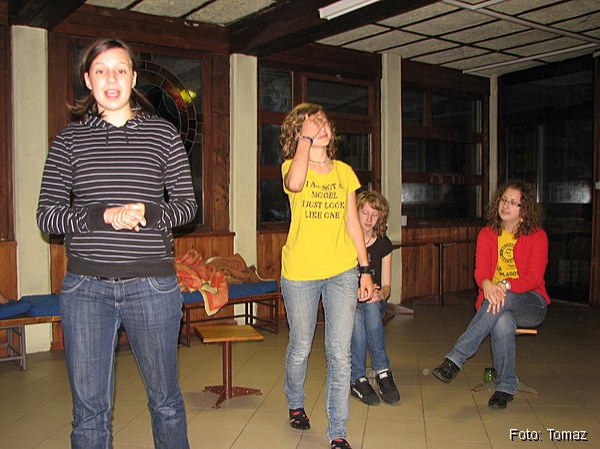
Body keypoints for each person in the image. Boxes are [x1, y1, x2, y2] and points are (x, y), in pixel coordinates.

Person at [36, 38, 197, 448]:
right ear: (88, 79)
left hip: (152, 287)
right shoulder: (68, 141)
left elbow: (187, 207)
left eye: (121, 69)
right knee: (89, 412)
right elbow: (47, 216)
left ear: (134, 78)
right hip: (85, 290)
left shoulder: (163, 134)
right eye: (102, 70)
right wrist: (102, 216)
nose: (112, 79)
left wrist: (148, 212)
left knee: (165, 401)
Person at [280, 103, 374, 449]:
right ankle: (295, 401)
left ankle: (338, 432)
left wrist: (365, 270)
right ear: (298, 133)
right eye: (311, 124)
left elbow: (353, 223)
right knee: (301, 346)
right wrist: (305, 141)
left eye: (323, 123)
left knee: (339, 352)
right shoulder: (292, 165)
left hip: (341, 271)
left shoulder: (344, 172)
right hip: (300, 273)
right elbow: (296, 183)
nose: (320, 128)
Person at [432, 180, 550, 409]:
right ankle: (505, 387)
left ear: (524, 209)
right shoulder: (487, 234)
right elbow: (481, 273)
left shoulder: (537, 236)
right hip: (495, 303)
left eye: (513, 202)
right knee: (502, 321)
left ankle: (455, 358)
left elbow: (534, 279)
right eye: (504, 200)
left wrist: (503, 285)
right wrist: (486, 284)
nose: (506, 205)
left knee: (503, 298)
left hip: (531, 302)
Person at [350, 191, 400, 406]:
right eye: (365, 213)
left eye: (375, 215)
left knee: (371, 306)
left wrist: (380, 293)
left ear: (381, 217)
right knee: (356, 319)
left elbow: (387, 286)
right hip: (349, 301)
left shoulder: (383, 244)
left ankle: (362, 376)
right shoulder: (346, 241)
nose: (369, 219)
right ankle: (378, 372)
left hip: (374, 302)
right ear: (356, 212)